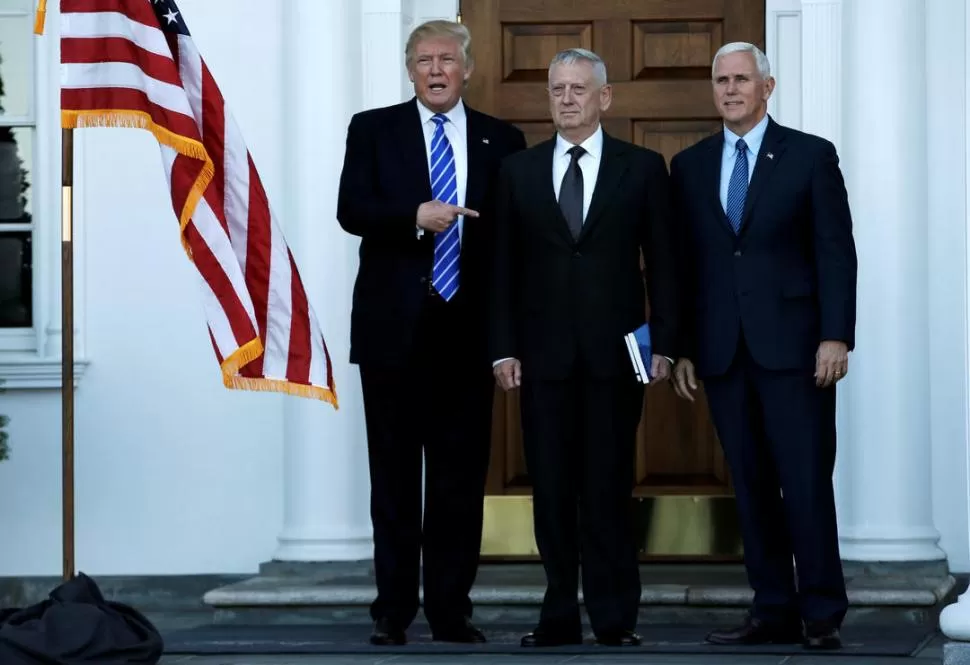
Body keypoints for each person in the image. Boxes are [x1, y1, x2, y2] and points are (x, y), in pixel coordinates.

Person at [335, 20, 526, 646]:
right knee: (392, 481)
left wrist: (506, 339)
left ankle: (450, 611)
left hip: (467, 337)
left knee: (457, 483)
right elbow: (350, 209)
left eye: (447, 59)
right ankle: (392, 612)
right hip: (393, 335)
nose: (436, 70)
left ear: (467, 68)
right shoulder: (373, 129)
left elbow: (508, 249)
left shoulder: (504, 139)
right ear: (409, 70)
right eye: (424, 60)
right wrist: (413, 216)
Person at [669, 42, 858, 650]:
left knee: (804, 482)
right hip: (724, 353)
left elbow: (835, 251)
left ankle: (822, 612)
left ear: (766, 88)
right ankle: (771, 608)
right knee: (750, 487)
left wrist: (836, 335)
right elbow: (685, 265)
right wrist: (683, 346)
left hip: (797, 351)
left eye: (741, 80)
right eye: (721, 80)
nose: (729, 90)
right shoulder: (692, 165)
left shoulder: (809, 155)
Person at [490, 47, 679, 648]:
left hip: (617, 358)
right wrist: (502, 349)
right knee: (550, 489)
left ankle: (614, 617)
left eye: (577, 88)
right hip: (541, 359)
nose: (566, 99)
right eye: (557, 89)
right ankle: (557, 616)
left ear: (604, 97)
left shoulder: (643, 167)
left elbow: (666, 267)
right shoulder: (518, 172)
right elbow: (501, 270)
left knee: (607, 487)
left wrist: (665, 345)